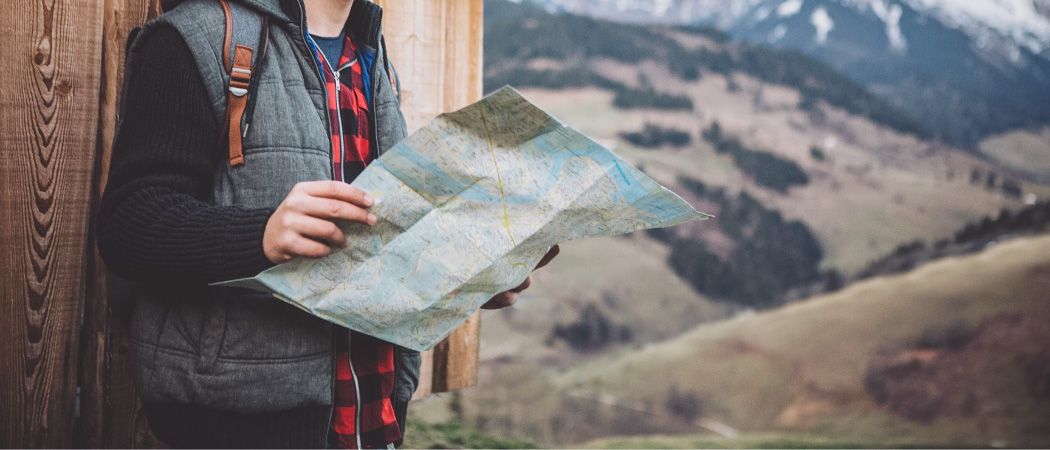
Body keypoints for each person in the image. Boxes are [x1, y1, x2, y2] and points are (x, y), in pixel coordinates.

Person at [97, 0, 558, 447]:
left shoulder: (369, 56)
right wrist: (259, 236)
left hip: (374, 416)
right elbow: (129, 223)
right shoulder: (196, 38)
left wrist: (467, 279)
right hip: (240, 427)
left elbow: (370, 247)